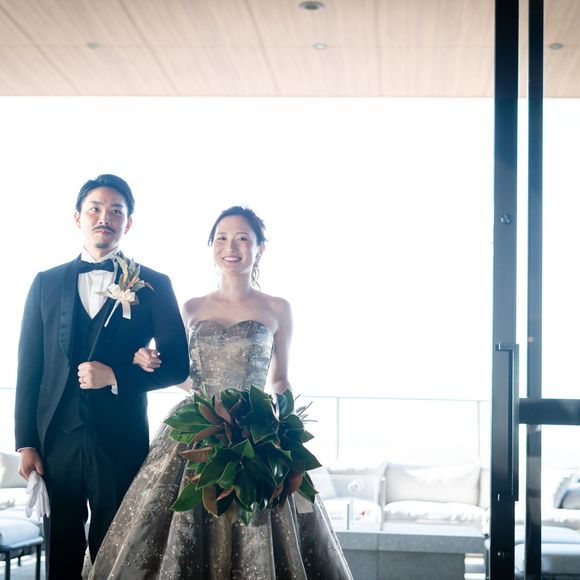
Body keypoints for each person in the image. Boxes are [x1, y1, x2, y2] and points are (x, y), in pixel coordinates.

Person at [90, 206, 352, 579]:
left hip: (255, 429)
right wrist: (148, 360)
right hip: (196, 427)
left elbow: (279, 379)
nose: (231, 247)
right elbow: (181, 375)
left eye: (243, 238)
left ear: (260, 248)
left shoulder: (278, 308)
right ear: (212, 245)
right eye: (222, 238)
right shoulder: (191, 308)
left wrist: (285, 429)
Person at [14, 174, 190, 579]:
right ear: (78, 216)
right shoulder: (45, 283)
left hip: (121, 439)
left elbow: (178, 365)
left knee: (116, 550)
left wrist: (116, 375)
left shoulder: (154, 284)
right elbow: (29, 367)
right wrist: (26, 443)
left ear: (128, 223)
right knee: (60, 549)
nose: (104, 218)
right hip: (56, 440)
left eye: (116, 211)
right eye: (95, 208)